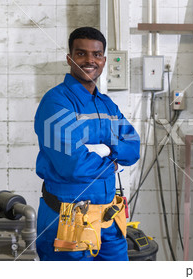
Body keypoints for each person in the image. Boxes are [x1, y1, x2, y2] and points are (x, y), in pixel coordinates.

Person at [34, 27, 140, 261]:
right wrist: (113, 163)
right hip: (68, 223)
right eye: (81, 54)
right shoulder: (56, 102)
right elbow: (73, 165)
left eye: (97, 54)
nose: (90, 60)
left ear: (103, 59)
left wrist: (107, 150)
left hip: (109, 222)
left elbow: (133, 147)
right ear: (70, 58)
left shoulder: (107, 105)